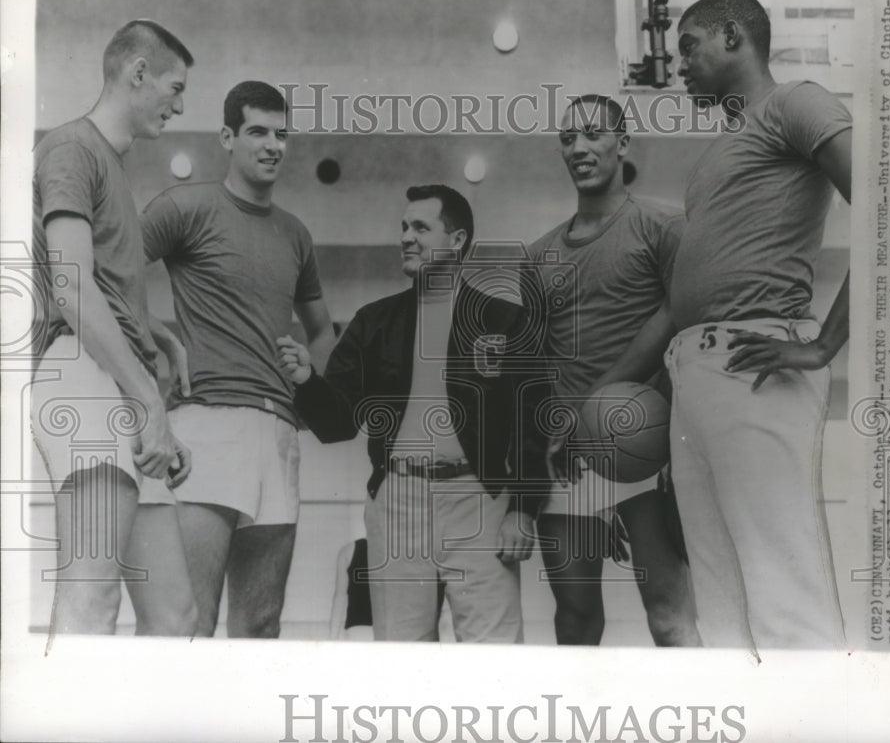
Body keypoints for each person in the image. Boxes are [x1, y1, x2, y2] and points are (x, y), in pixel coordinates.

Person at [617, 0, 851, 650]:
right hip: (696, 378)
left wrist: (824, 343)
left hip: (756, 363)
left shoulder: (795, 103)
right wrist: (633, 395)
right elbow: (680, 303)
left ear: (730, 35)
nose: (680, 63)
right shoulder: (717, 156)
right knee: (721, 614)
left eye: (687, 45)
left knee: (785, 598)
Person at [278, 185, 550, 642]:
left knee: (496, 662)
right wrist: (308, 382)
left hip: (479, 501)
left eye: (421, 227)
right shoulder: (374, 322)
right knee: (401, 664)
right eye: (403, 227)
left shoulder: (506, 320)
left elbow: (533, 422)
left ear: (457, 240)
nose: (406, 237)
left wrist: (523, 511)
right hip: (398, 503)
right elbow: (337, 424)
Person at [141, 81, 336, 638]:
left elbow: (322, 329)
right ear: (227, 137)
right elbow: (108, 274)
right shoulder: (185, 206)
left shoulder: (296, 234)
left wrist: (308, 382)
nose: (273, 145)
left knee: (260, 626)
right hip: (206, 424)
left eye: (282, 134)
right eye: (258, 132)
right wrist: (165, 340)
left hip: (277, 432)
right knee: (188, 621)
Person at [31, 20, 197, 635]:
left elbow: (95, 283)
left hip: (115, 381)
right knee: (92, 596)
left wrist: (157, 333)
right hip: (85, 376)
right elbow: (70, 285)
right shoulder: (72, 147)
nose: (179, 105)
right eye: (174, 88)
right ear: (137, 74)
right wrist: (147, 397)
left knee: (176, 613)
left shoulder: (110, 167)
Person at [525, 94, 699, 647]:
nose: (579, 146)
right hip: (567, 456)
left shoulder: (661, 226)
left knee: (669, 616)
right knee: (576, 619)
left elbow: (684, 323)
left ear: (622, 144)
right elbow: (534, 364)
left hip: (643, 445)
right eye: (568, 137)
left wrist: (676, 444)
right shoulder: (538, 254)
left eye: (593, 134)